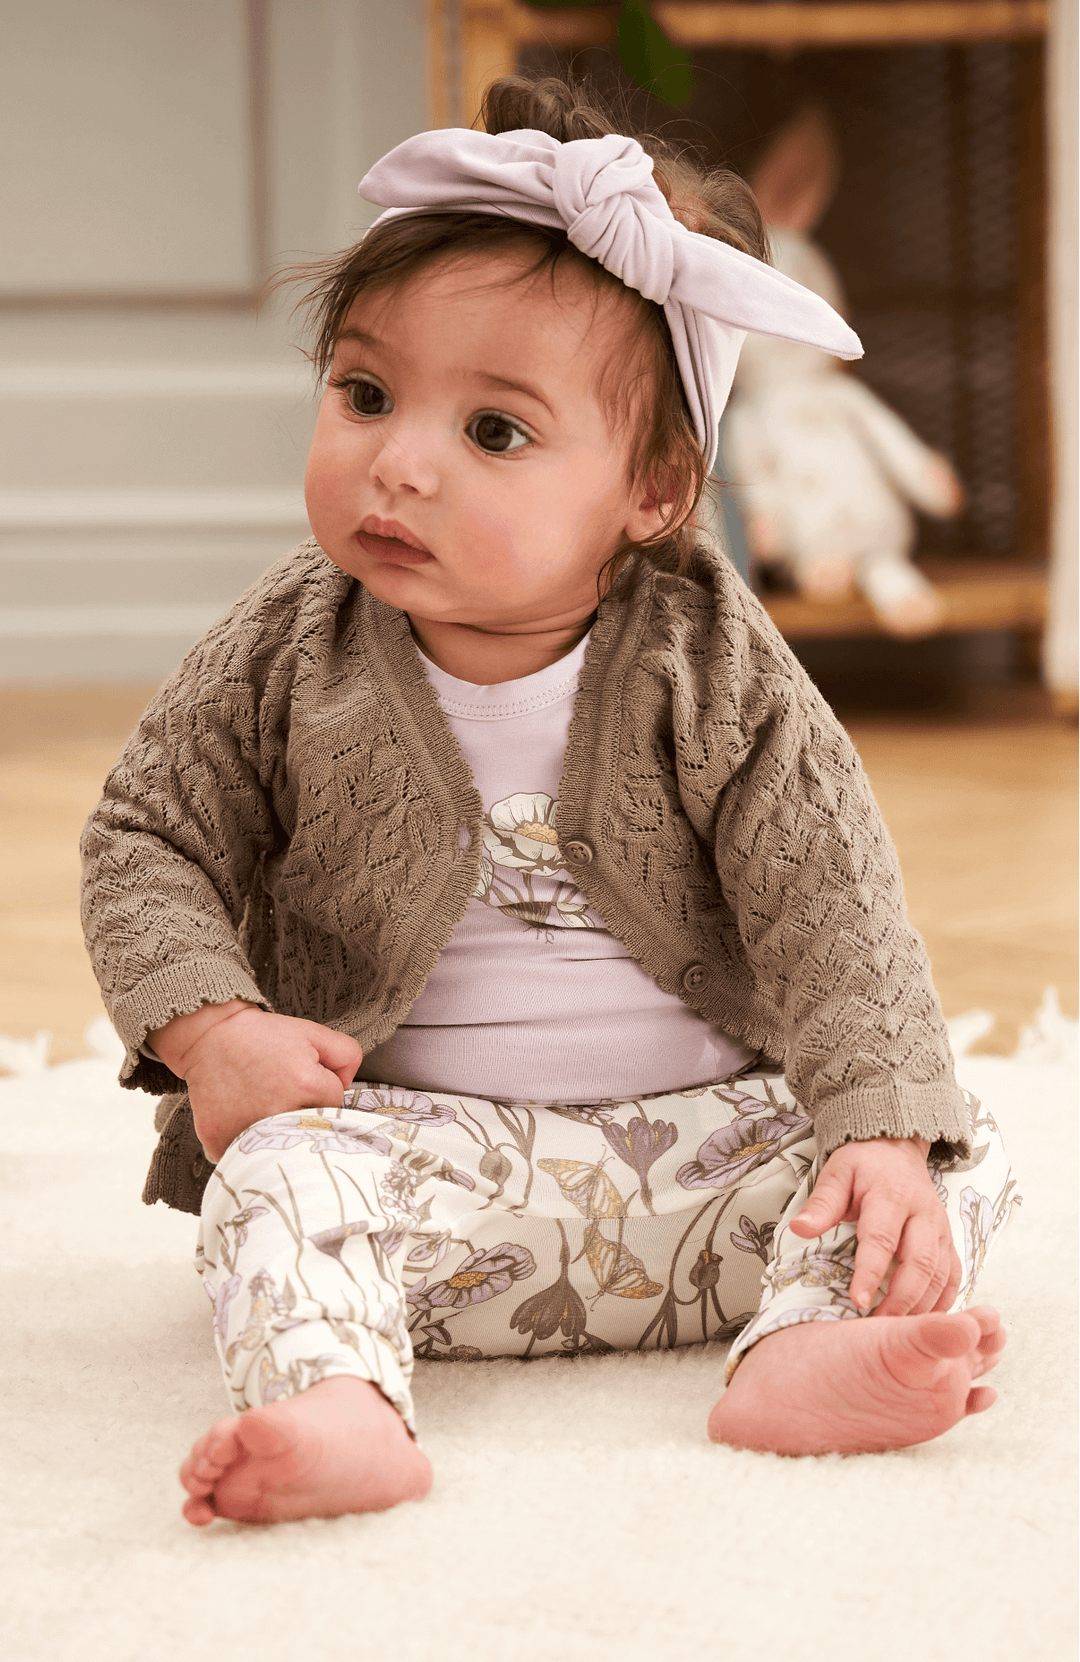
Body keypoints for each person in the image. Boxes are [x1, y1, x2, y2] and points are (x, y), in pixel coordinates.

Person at [80, 77, 1018, 1528]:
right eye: (365, 394)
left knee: (944, 1142)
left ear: (654, 490)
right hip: (424, 1184)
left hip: (704, 1170)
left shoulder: (712, 659)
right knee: (272, 1174)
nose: (398, 462)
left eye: (495, 432)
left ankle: (808, 1341)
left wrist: (881, 1133)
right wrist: (213, 1032)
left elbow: (832, 899)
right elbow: (149, 836)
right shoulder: (288, 646)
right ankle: (336, 1395)